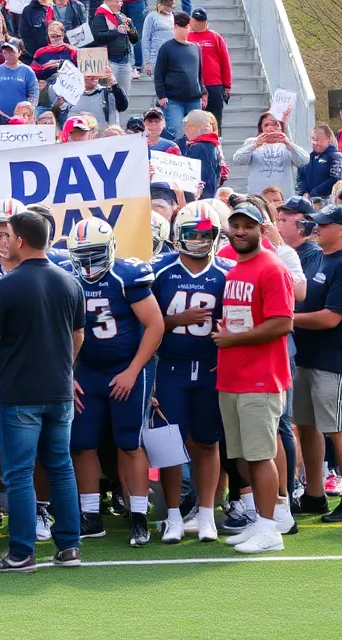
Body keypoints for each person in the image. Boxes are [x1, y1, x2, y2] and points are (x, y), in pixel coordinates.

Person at [0, 210, 83, 572]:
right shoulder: (70, 282)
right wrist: (64, 367)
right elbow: (78, 335)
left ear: (19, 240)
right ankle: (69, 547)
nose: (4, 242)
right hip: (59, 390)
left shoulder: (5, 285)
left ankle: (21, 553)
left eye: (7, 236)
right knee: (61, 467)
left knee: (19, 473)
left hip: (19, 392)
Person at [65, 218, 164, 546]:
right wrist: (68, 374)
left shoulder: (126, 276)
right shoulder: (67, 277)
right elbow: (63, 332)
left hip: (127, 367)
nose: (88, 261)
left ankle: (139, 516)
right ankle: (91, 516)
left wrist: (133, 370)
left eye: (95, 252)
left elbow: (155, 326)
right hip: (88, 370)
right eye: (82, 254)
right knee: (82, 443)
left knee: (129, 443)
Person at [151, 201, 236, 543]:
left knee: (207, 441)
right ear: (178, 234)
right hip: (170, 368)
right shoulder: (159, 270)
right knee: (169, 446)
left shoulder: (228, 272)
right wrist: (176, 321)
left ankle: (206, 514)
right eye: (192, 234)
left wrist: (228, 350)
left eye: (205, 234)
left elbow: (240, 322)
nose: (199, 241)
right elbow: (144, 323)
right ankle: (173, 515)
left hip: (211, 370)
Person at [213, 202, 295, 553]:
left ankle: (270, 528)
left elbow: (282, 323)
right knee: (244, 457)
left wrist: (234, 340)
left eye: (248, 226)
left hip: (260, 378)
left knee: (261, 456)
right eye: (236, 226)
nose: (240, 231)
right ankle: (260, 521)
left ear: (262, 229)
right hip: (233, 376)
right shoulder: (235, 269)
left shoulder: (272, 268)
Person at [290, 204, 342, 523]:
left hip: (334, 360)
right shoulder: (322, 258)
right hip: (309, 357)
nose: (317, 228)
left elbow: (330, 318)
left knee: (337, 429)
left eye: (324, 224)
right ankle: (315, 494)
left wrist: (285, 319)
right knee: (308, 427)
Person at [232, 112, 309, 197]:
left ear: (280, 127)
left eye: (275, 125)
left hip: (283, 196)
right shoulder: (252, 142)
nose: (270, 128)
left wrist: (290, 145)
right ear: (261, 128)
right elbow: (237, 160)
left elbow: (305, 161)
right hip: (258, 196)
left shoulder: (287, 145)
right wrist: (254, 145)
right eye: (266, 125)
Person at [153, 11, 204, 133]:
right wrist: (162, 95)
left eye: (188, 27)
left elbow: (199, 74)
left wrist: (203, 92)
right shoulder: (166, 48)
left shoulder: (195, 48)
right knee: (177, 131)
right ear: (175, 26)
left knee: (197, 132)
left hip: (194, 98)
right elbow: (159, 74)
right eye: (183, 27)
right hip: (173, 99)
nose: (186, 30)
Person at [187, 9, 232, 128]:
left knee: (214, 120)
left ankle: (216, 139)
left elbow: (225, 62)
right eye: (194, 21)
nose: (196, 24)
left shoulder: (216, 37)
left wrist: (227, 85)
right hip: (193, 86)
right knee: (195, 122)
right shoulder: (187, 37)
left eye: (199, 21)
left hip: (214, 85)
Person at [90, 0, 137, 97]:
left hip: (125, 61)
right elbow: (98, 39)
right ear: (108, 1)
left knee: (124, 96)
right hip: (109, 62)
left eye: (121, 1)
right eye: (118, 1)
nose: (121, 4)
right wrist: (116, 31)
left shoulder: (122, 16)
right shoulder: (100, 17)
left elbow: (134, 39)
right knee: (109, 96)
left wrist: (131, 29)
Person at [297, 123, 342, 199]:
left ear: (328, 139)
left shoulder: (335, 156)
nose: (314, 143)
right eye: (312, 139)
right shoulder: (310, 156)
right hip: (308, 200)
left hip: (327, 200)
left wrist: (314, 193)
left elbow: (335, 179)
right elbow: (301, 173)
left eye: (317, 140)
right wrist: (302, 193)